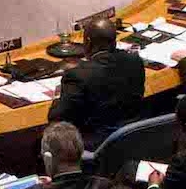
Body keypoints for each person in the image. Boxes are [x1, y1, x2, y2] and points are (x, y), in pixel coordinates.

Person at [48, 16, 147, 147]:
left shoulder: (78, 75)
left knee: (41, 143)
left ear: (88, 42)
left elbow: (57, 119)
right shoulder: (135, 61)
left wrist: (58, 93)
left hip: (97, 145)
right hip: (132, 138)